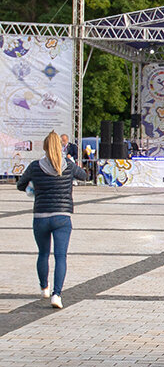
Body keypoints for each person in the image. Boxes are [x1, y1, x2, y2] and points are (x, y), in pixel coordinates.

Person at [15, 132, 90, 309]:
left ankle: (44, 288)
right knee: (60, 256)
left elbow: (20, 185)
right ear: (61, 147)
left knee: (43, 253)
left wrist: (34, 185)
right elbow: (85, 176)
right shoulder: (68, 166)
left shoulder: (35, 166)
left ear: (44, 147)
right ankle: (57, 295)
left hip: (40, 216)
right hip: (62, 217)